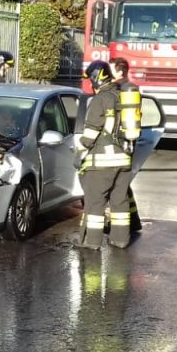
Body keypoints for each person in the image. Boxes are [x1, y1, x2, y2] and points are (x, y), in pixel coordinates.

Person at [77, 61, 136, 249]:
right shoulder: (123, 96)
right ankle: (120, 239)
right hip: (124, 160)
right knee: (120, 201)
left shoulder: (100, 99)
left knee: (95, 202)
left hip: (103, 162)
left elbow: (91, 133)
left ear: (95, 78)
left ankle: (91, 242)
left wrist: (80, 151)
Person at [110, 58, 143, 233]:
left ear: (119, 71)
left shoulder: (119, 90)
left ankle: (120, 228)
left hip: (119, 143)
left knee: (118, 186)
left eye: (111, 70)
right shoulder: (132, 88)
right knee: (123, 184)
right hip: (127, 142)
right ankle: (134, 220)